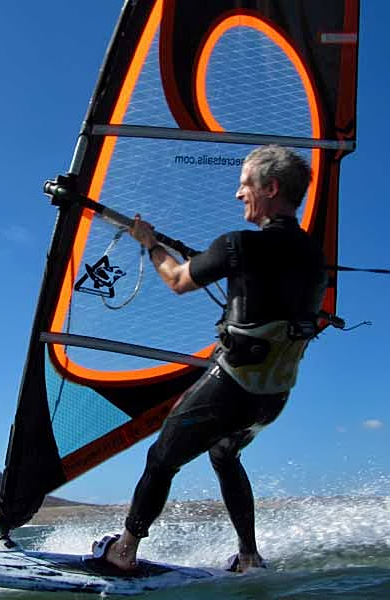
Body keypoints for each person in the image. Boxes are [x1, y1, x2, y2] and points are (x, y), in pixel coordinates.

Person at [91, 144, 327, 574]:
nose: (238, 194)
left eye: (244, 185)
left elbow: (178, 280)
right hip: (273, 396)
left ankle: (123, 551)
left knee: (161, 459)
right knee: (224, 455)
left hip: (233, 385)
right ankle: (249, 557)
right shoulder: (315, 258)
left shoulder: (237, 244)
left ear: (270, 188)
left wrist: (150, 244)